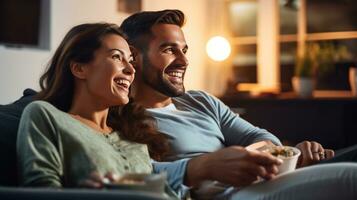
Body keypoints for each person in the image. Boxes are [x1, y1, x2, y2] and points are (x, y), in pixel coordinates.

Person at [120, 9, 357, 199]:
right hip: (234, 195)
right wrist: (204, 167)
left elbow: (264, 138)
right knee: (351, 178)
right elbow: (134, 174)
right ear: (133, 57)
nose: (184, 60)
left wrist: (286, 158)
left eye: (184, 50)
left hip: (262, 180)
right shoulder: (119, 117)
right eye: (169, 50)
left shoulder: (200, 101)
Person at [16, 22, 189, 199]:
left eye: (130, 61)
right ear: (79, 68)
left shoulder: (133, 138)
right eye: (116, 57)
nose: (131, 70)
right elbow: (41, 192)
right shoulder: (45, 116)